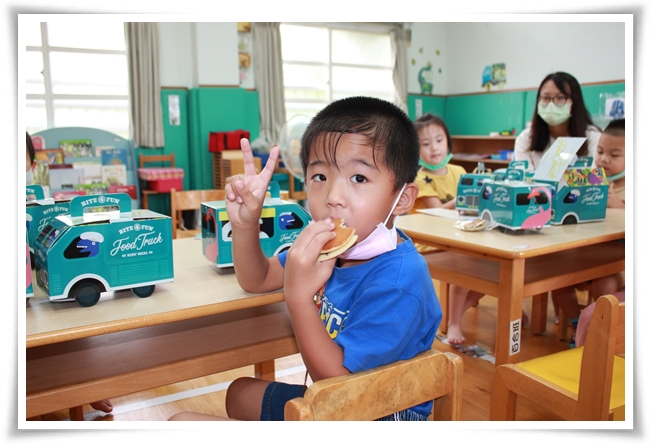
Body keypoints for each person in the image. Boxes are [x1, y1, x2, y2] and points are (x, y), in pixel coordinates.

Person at [169, 96, 442, 421]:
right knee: (239, 393)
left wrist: (298, 297)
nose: (333, 198)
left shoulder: (399, 280)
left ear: (402, 199)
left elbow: (340, 386)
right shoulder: (331, 246)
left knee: (180, 425)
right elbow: (256, 279)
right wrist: (245, 225)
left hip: (374, 415)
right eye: (320, 177)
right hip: (336, 398)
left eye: (359, 178)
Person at [26, 132, 114, 416]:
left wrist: (56, 211)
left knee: (70, 323)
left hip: (32, 281)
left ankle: (84, 386)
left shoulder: (30, 196)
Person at [552, 118, 626, 348]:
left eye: (614, 155)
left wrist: (622, 207)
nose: (604, 159)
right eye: (601, 151)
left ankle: (598, 334)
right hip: (585, 255)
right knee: (555, 279)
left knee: (604, 286)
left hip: (619, 264)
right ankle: (576, 322)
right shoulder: (591, 177)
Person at [514, 71, 602, 169]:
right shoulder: (526, 139)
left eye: (560, 98)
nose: (551, 104)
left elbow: (596, 179)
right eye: (546, 98)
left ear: (574, 102)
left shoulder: (594, 138)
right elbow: (524, 181)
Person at [411, 113, 466, 212]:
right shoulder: (418, 179)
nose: (434, 148)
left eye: (439, 140)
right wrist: (464, 200)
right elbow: (436, 211)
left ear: (448, 142)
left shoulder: (459, 171)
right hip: (427, 226)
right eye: (426, 144)